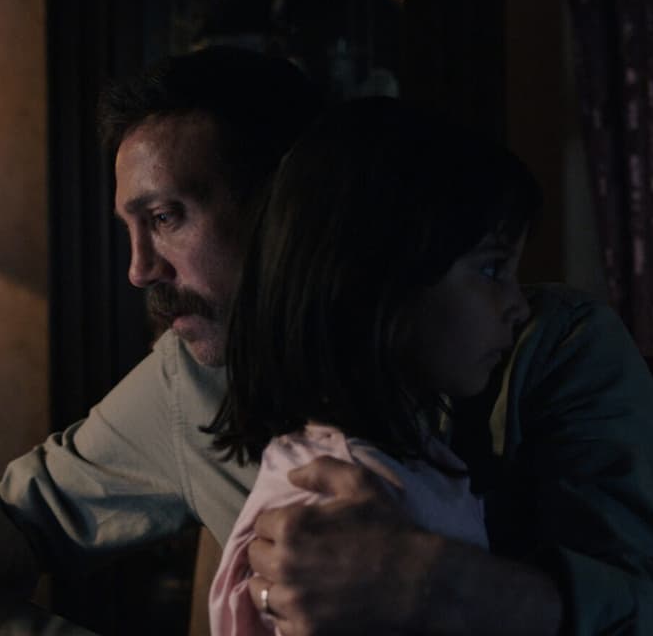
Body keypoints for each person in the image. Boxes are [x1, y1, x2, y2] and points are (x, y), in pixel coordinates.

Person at [0, 48, 653, 634]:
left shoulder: (551, 350)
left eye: (166, 218)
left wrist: (434, 584)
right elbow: (27, 507)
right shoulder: (192, 378)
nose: (138, 269)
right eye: (129, 229)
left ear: (290, 209)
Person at [207, 97, 529, 635]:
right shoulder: (331, 504)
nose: (519, 305)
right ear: (378, 282)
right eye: (493, 270)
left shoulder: (410, 459)